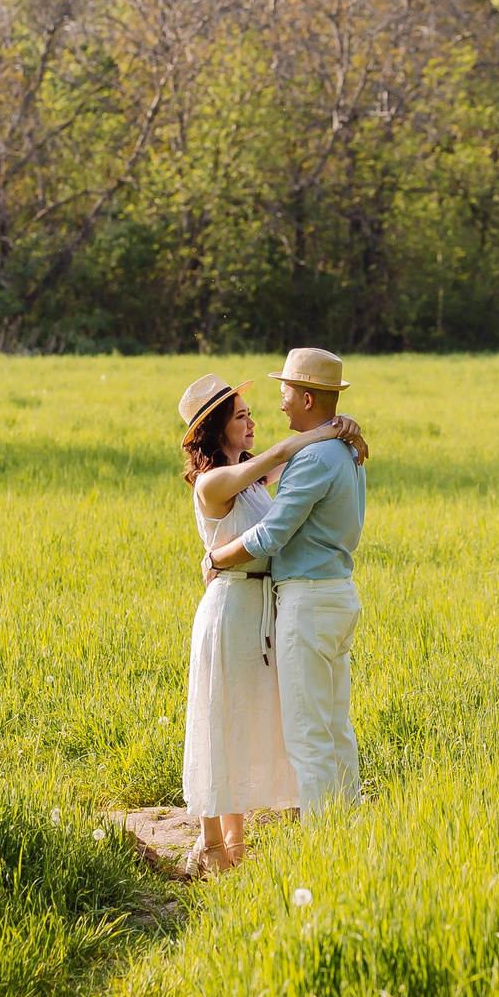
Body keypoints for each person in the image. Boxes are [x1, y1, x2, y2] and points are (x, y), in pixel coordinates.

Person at [176, 373, 363, 872]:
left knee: (246, 719)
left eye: (250, 413)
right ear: (217, 428)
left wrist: (340, 426)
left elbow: (302, 466)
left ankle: (235, 844)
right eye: (241, 416)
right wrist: (324, 429)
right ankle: (212, 846)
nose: (253, 422)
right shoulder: (214, 482)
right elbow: (281, 455)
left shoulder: (253, 480)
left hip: (262, 608)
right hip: (229, 607)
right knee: (219, 719)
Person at [207, 347, 367, 817]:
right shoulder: (343, 450)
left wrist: (216, 559)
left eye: (285, 393)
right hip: (336, 594)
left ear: (307, 398)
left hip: (309, 602)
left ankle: (322, 842)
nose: (280, 404)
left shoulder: (314, 457)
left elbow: (271, 535)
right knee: (334, 727)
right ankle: (347, 828)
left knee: (308, 735)